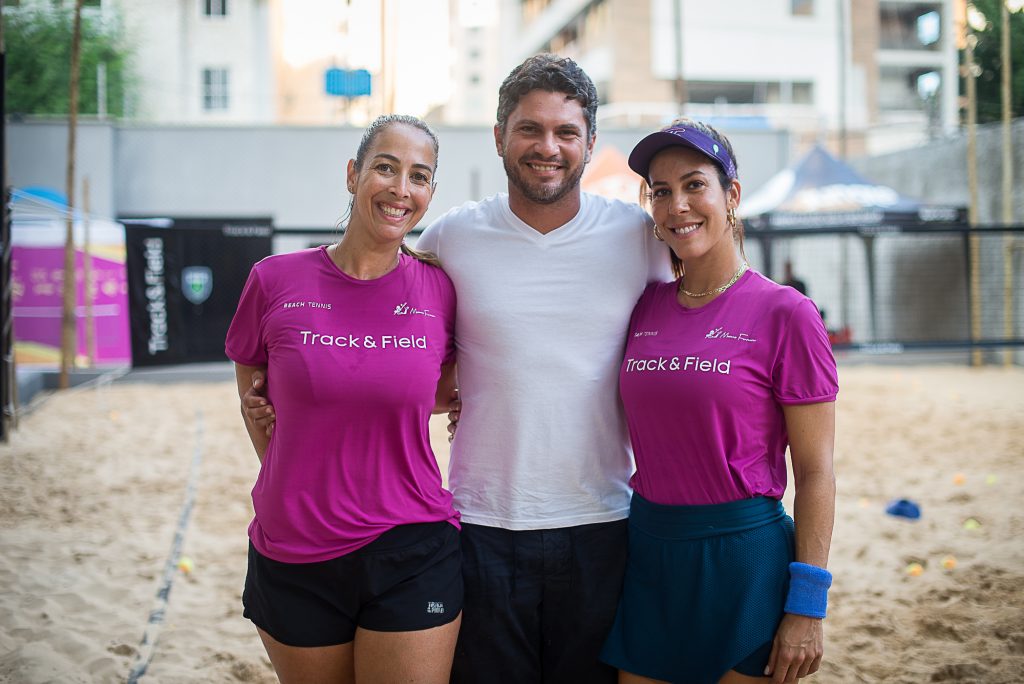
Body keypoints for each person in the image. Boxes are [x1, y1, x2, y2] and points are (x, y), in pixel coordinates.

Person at [245, 53, 670, 683]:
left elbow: (701, 308)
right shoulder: (450, 239)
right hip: (479, 522)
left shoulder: (641, 237)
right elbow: (386, 338)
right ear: (499, 136)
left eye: (565, 132)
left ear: (590, 143)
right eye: (529, 128)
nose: (547, 146)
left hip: (604, 519)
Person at [598, 120, 838, 684]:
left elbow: (817, 470)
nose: (677, 205)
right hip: (651, 553)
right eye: (660, 191)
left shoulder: (787, 314)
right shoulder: (643, 306)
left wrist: (808, 604)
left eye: (694, 184)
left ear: (731, 194)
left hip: (743, 560)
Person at [225, 114, 462, 684]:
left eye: (419, 176)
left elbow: (444, 389)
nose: (401, 189)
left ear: (430, 194)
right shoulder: (273, 279)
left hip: (412, 544)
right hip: (294, 546)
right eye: (385, 167)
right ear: (354, 174)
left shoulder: (441, 288)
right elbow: (254, 400)